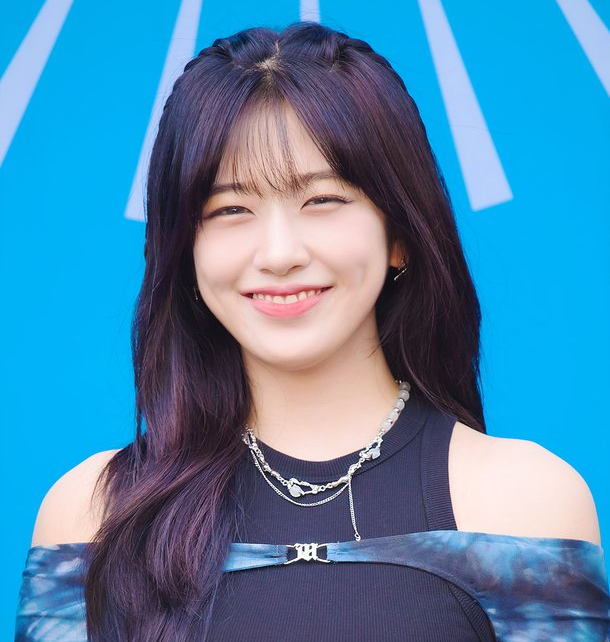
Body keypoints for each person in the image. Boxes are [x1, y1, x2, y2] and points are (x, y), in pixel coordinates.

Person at [15, 21, 609, 642]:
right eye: (230, 209)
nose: (279, 254)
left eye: (322, 200)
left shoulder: (525, 503)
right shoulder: (91, 516)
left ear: (400, 233)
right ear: (185, 249)